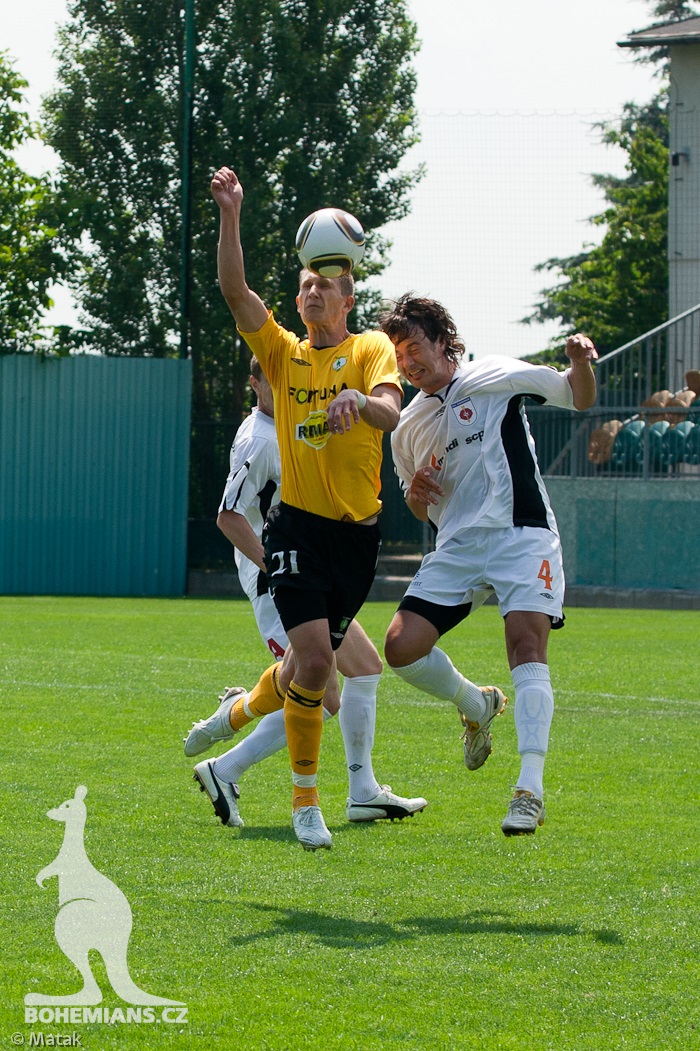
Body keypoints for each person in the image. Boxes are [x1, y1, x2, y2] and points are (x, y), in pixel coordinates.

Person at [204, 165, 421, 851]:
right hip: (294, 528)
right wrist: (231, 213)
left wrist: (364, 406)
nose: (309, 292)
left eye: (322, 284)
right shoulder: (282, 355)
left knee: (311, 669)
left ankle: (236, 711)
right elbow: (234, 291)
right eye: (303, 285)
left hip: (356, 540)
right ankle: (307, 802)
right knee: (318, 665)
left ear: (347, 292)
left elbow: (392, 406)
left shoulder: (370, 348)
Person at [379, 293, 598, 836]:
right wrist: (418, 494)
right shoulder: (406, 426)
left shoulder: (494, 375)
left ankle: (529, 790)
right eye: (398, 356)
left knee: (526, 646)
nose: (407, 364)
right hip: (457, 545)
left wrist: (579, 363)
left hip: (520, 533)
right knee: (401, 648)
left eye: (413, 349)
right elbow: (415, 500)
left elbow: (578, 398)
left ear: (442, 340)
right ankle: (477, 704)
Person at [184, 355, 427, 831]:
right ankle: (227, 758)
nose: (281, 386)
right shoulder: (258, 439)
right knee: (322, 691)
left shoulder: (295, 426)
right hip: (277, 580)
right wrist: (274, 568)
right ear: (253, 383)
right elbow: (228, 516)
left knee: (364, 668)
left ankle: (361, 793)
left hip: (309, 571)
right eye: (269, 380)